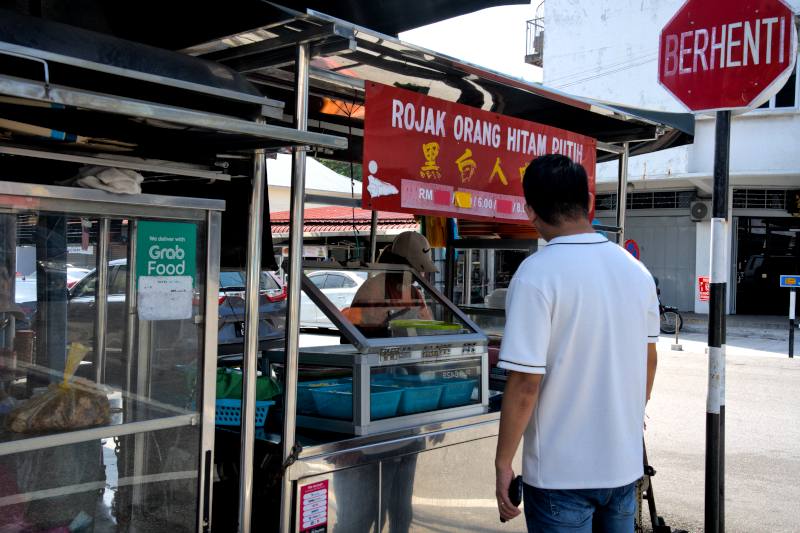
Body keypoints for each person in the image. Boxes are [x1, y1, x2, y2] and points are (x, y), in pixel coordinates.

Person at [494, 154, 659, 532]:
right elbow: (649, 359)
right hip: (622, 467)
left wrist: (504, 463)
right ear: (588, 203)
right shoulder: (636, 271)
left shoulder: (536, 274)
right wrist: (632, 417)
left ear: (530, 211)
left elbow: (525, 384)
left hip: (559, 477)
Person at [342, 231, 436, 337]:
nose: (420, 276)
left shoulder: (413, 292)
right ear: (398, 263)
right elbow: (370, 332)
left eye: (421, 270)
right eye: (416, 270)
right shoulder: (374, 288)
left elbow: (427, 324)